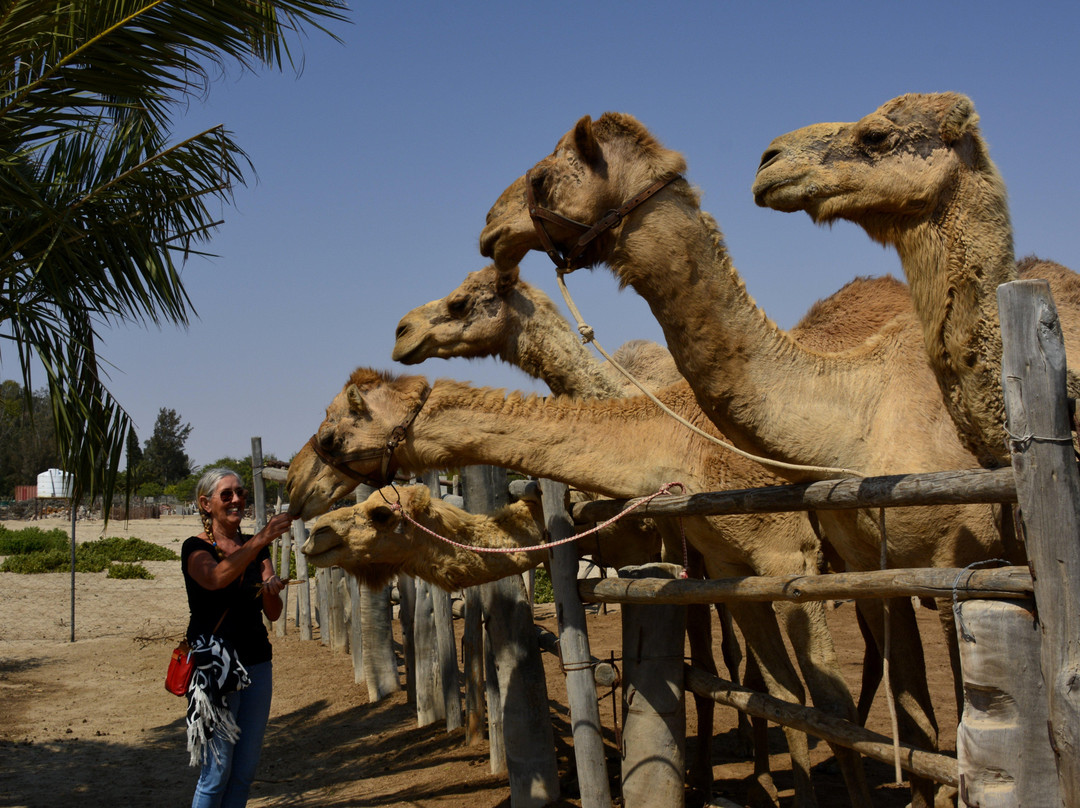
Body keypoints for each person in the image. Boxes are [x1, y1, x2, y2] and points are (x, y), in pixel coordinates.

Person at [181, 467, 296, 808]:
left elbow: (272, 613)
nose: (236, 500)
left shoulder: (255, 549)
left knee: (244, 772)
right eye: (226, 494)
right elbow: (216, 578)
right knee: (216, 773)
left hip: (257, 663)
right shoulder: (194, 548)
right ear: (206, 504)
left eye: (240, 493)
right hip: (217, 670)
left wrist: (272, 589)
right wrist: (262, 538)